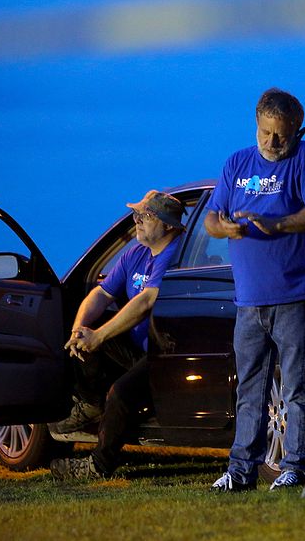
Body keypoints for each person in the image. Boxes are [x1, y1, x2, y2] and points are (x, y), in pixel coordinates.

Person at [205, 88, 305, 492]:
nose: (272, 143)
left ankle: (294, 466)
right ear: (256, 125)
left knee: (296, 387)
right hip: (248, 300)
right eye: (265, 133)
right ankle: (241, 470)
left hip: (293, 294)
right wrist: (224, 228)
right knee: (249, 388)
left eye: (280, 135)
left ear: (297, 131)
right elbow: (211, 217)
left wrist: (278, 224)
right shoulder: (237, 163)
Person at [49, 190, 186, 480]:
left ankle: (99, 466)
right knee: (85, 333)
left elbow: (146, 302)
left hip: (164, 355)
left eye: (145, 216)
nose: (136, 220)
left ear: (168, 226)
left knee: (121, 393)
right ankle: (91, 403)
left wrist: (98, 336)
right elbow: (100, 294)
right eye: (137, 214)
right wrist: (80, 331)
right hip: (139, 349)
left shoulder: (174, 256)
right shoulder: (136, 253)